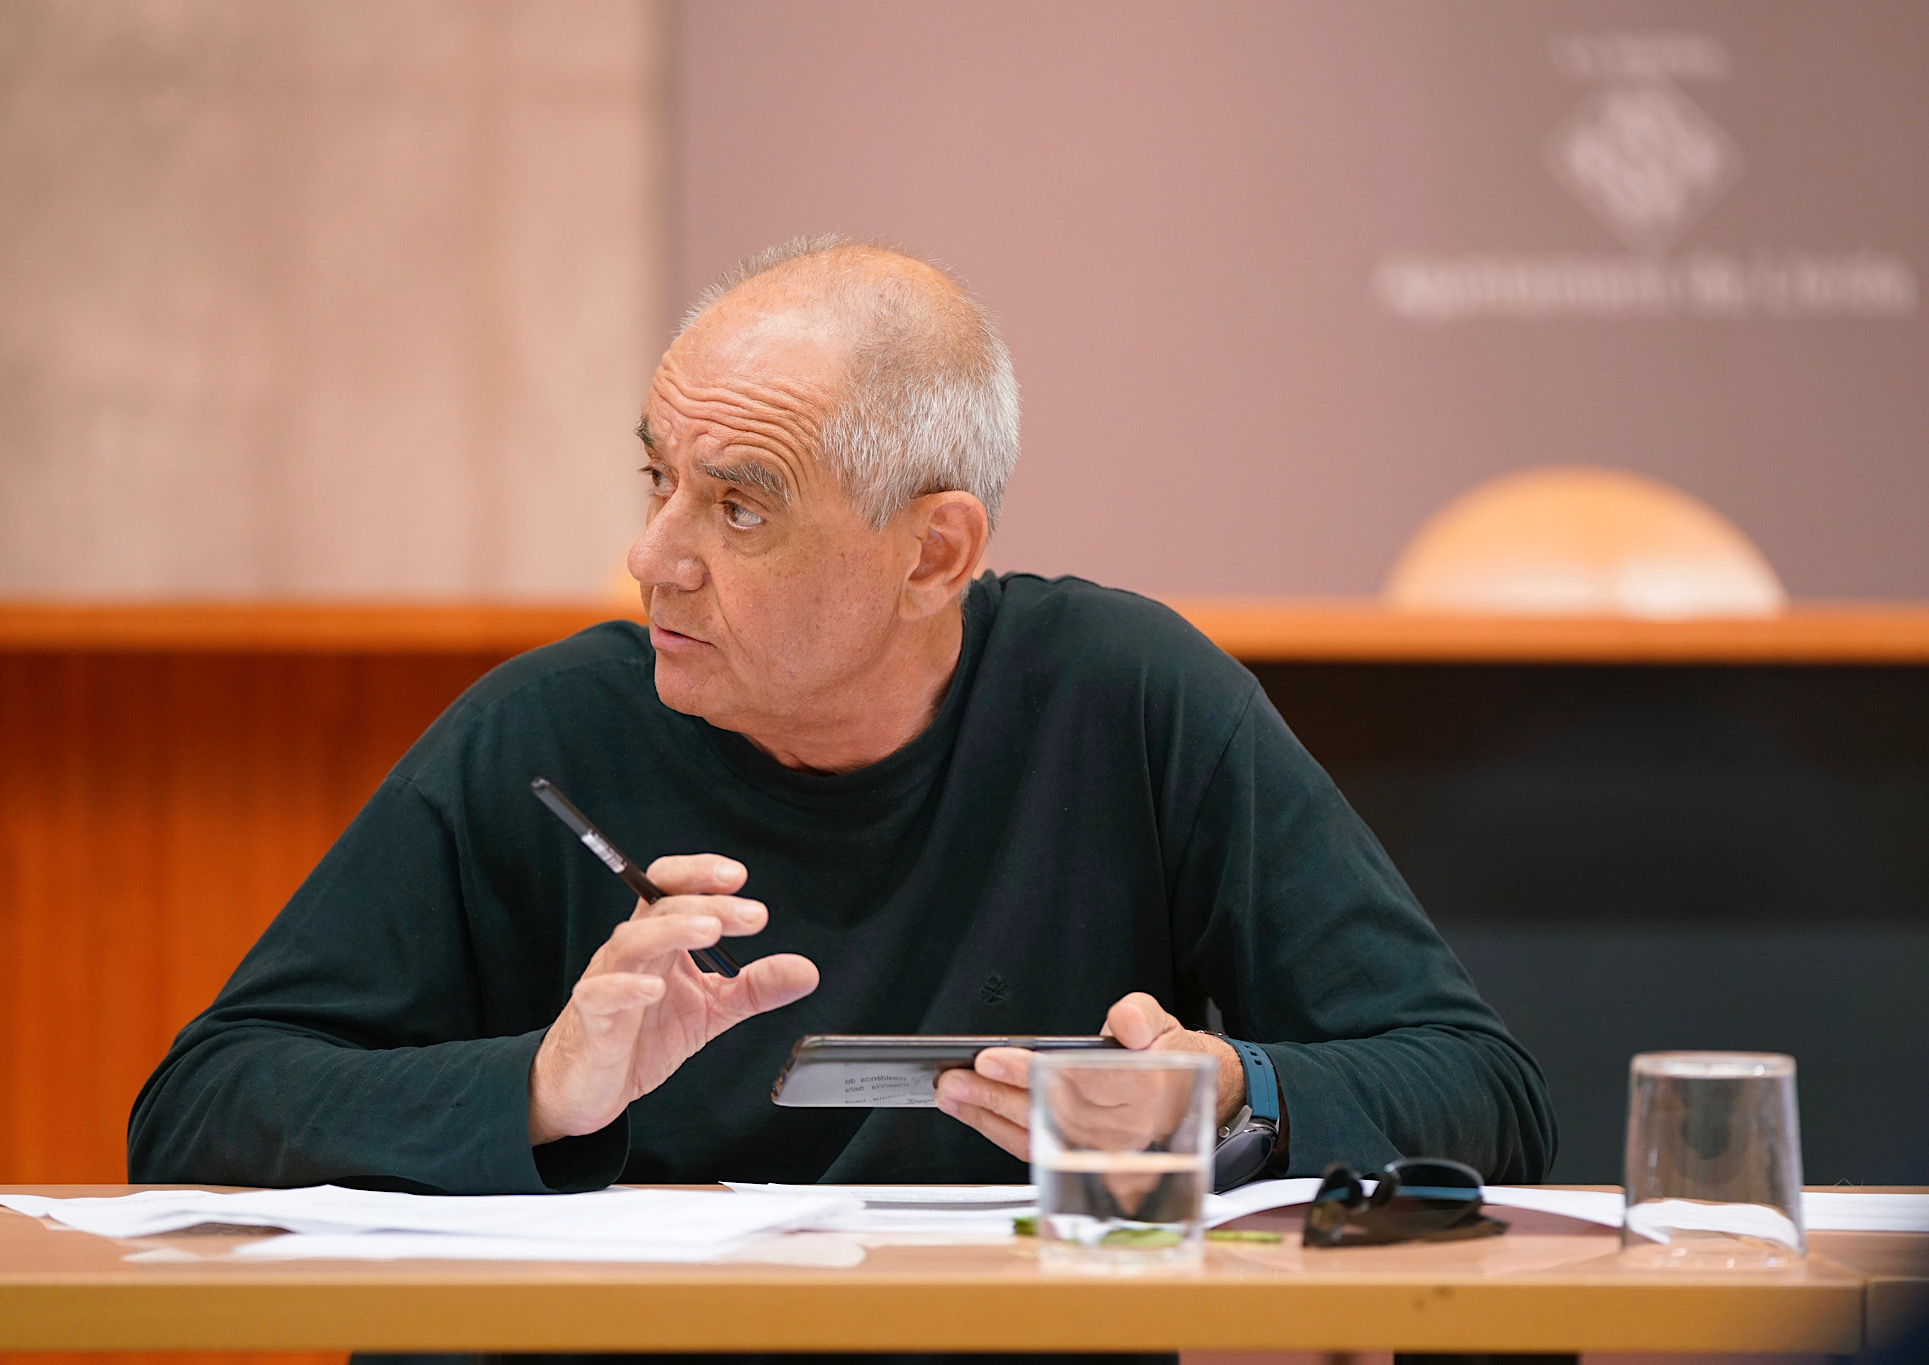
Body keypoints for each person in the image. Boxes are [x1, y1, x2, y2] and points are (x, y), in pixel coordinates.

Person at [130, 235, 1552, 1224]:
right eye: (658, 481)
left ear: (934, 553)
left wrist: (1235, 1096)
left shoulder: (1128, 702)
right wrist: (547, 1085)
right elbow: (200, 1106)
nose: (653, 557)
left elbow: (1484, 1090)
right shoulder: (544, 733)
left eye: (739, 507)